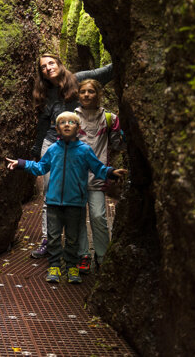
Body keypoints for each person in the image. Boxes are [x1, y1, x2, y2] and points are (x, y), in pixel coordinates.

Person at [6, 112, 127, 284]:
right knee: (54, 237)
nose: (67, 124)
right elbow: (41, 167)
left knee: (72, 237)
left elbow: (97, 168)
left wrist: (111, 172)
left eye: (71, 122)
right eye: (63, 122)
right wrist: (21, 163)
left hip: (75, 202)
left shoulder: (85, 150)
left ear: (78, 128)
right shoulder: (53, 150)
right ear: (57, 129)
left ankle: (71, 266)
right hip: (54, 202)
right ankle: (54, 265)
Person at [30, 53, 114, 258]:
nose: (48, 68)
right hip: (52, 144)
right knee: (50, 192)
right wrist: (37, 150)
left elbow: (106, 72)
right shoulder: (45, 93)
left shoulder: (79, 79)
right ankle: (48, 240)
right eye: (43, 67)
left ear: (60, 64)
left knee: (77, 196)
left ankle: (82, 248)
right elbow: (43, 123)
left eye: (51, 63)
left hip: (77, 143)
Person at [75, 79, 125, 274]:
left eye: (91, 91)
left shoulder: (108, 118)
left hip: (98, 175)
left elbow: (117, 145)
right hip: (76, 176)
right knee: (78, 218)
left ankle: (102, 256)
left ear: (98, 94)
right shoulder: (72, 117)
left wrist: (124, 132)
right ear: (78, 95)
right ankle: (83, 255)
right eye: (83, 92)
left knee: (98, 216)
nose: (87, 95)